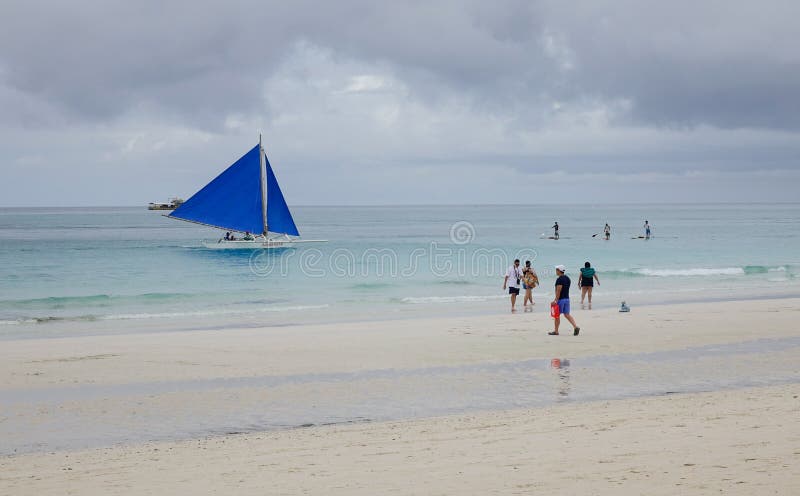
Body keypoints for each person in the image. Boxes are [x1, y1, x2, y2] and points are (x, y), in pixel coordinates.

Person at [549, 265, 580, 336]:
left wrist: (555, 300)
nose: (556, 271)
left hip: (561, 300)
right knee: (567, 314)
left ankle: (556, 331)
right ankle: (575, 327)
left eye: (556, 270)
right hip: (567, 299)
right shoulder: (568, 278)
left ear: (559, 270)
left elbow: (558, 290)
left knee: (557, 316)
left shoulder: (559, 279)